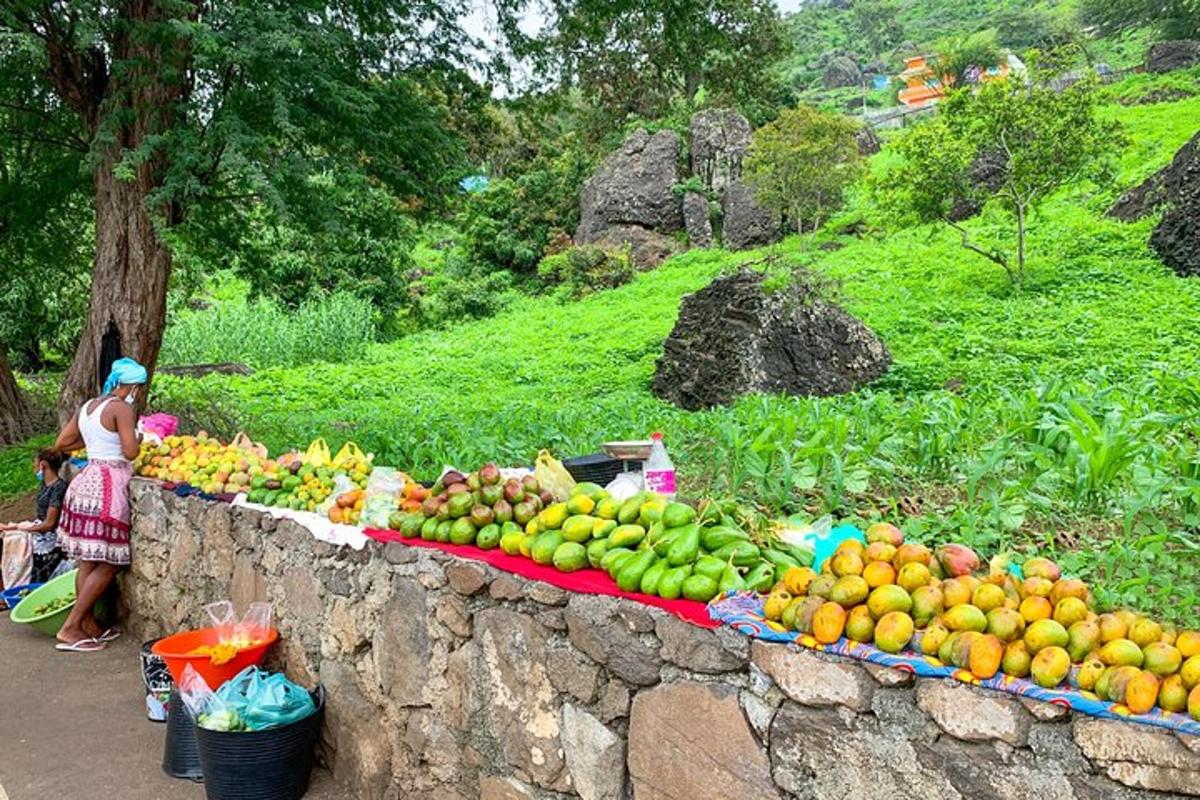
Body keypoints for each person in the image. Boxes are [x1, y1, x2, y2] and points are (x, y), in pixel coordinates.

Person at [50, 357, 146, 652]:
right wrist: (138, 438)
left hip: (86, 481)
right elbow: (130, 452)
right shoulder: (121, 408)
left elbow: (62, 442)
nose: (138, 393)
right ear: (129, 385)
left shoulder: (89, 406)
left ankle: (86, 624)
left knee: (88, 560)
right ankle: (70, 627)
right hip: (107, 486)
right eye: (138, 387)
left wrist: (96, 446)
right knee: (111, 562)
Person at [0, 449, 70, 588]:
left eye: (36, 464)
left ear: (43, 465)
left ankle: (8, 587)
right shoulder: (45, 485)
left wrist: (22, 528)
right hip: (39, 528)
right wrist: (11, 527)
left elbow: (49, 524)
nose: (34, 468)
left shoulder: (58, 488)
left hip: (49, 536)